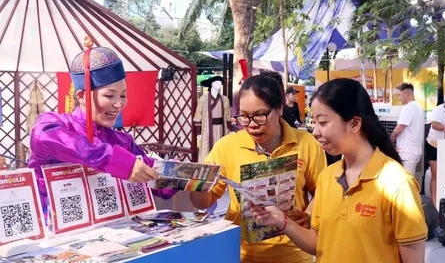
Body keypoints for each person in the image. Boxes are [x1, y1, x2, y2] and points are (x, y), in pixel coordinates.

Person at [249, 78, 427, 263]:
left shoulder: (397, 184)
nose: (315, 132)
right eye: (314, 122)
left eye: (323, 122)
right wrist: (282, 222)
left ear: (354, 124)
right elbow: (319, 243)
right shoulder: (328, 177)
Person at [190, 71, 326, 263]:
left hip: (292, 253)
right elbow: (202, 202)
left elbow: (322, 190)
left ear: (279, 108)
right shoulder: (227, 146)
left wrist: (309, 214)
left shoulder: (306, 143)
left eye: (260, 115)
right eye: (244, 117)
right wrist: (200, 183)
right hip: (240, 254)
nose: (251, 124)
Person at [30, 45, 177, 216]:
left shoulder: (123, 141)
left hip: (115, 232)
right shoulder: (51, 126)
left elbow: (154, 182)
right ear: (82, 96)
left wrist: (181, 175)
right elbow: (64, 143)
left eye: (123, 95)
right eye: (109, 95)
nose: (119, 104)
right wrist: (121, 163)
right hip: (56, 233)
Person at [194, 75, 231, 163]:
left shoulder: (224, 99)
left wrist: (229, 127)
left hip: (221, 128)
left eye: (220, 83)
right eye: (216, 82)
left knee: (221, 147)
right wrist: (198, 132)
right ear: (211, 84)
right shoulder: (204, 99)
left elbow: (227, 115)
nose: (218, 84)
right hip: (208, 128)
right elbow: (198, 115)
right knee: (207, 148)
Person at [390, 83, 425, 175]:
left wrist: (389, 142)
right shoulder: (419, 107)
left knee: (405, 181)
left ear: (406, 94)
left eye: (399, 95)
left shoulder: (409, 107)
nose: (399, 98)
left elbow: (399, 128)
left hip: (406, 151)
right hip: (414, 151)